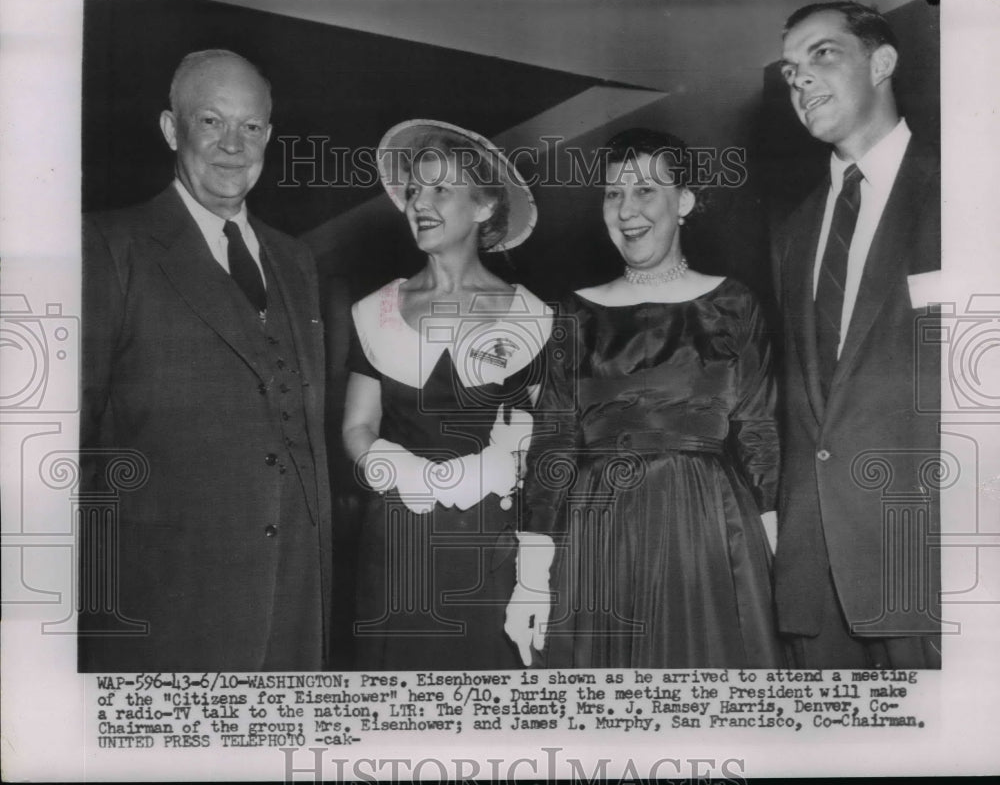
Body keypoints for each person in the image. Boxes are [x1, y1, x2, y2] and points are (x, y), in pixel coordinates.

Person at [80, 50, 332, 671]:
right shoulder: (108, 246)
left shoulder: (297, 260)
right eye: (211, 121)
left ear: (268, 136)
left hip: (293, 606)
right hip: (166, 608)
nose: (232, 145)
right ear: (172, 129)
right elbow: (66, 451)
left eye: (250, 127)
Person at [506, 128, 784, 668]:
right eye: (613, 193)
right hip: (600, 532)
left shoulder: (733, 303)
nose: (626, 209)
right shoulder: (574, 313)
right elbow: (553, 443)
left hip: (709, 533)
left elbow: (759, 430)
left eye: (645, 191)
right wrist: (531, 579)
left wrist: (779, 561)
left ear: (683, 202)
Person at [342, 119, 552, 670]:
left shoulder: (535, 318)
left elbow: (549, 441)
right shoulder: (373, 311)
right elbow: (357, 426)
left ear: (484, 207)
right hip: (397, 542)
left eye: (440, 189)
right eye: (413, 190)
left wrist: (496, 468)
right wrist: (401, 471)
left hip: (490, 549)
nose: (420, 203)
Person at [772, 1, 941, 668]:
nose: (801, 80)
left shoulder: (968, 190)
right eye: (790, 71)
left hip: (926, 564)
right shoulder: (792, 233)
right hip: (815, 580)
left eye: (822, 55)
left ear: (883, 62)